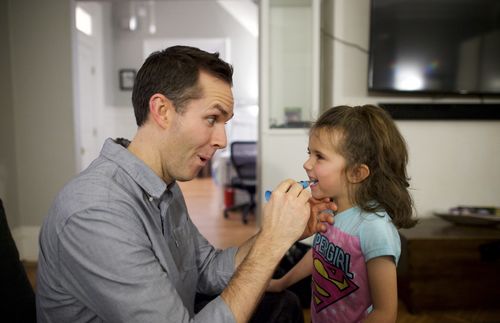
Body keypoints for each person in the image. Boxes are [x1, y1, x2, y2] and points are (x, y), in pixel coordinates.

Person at [36, 45, 335, 323]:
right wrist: (271, 245)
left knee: (283, 304)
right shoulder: (95, 212)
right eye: (211, 119)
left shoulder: (162, 184)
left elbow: (206, 268)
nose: (222, 140)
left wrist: (277, 233)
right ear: (163, 111)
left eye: (224, 123)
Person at [267, 105, 418, 322]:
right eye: (309, 153)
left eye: (319, 156)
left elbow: (385, 313)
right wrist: (282, 282)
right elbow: (320, 253)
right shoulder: (329, 209)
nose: (306, 163)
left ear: (356, 173)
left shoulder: (375, 229)